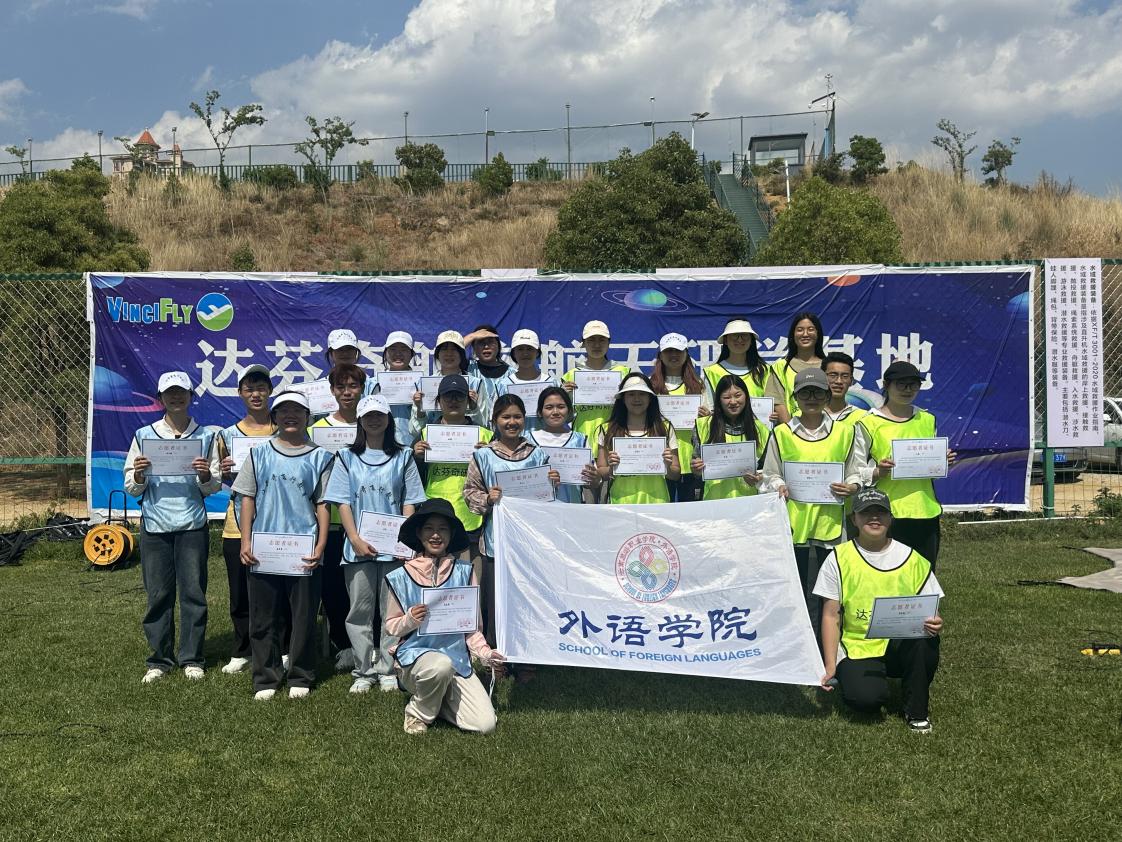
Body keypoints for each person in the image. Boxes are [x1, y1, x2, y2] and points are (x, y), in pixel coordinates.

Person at [816, 487, 944, 733]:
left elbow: (932, 611)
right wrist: (830, 665)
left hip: (901, 643)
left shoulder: (912, 558)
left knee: (924, 640)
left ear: (890, 518)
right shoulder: (838, 558)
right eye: (866, 513)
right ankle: (866, 682)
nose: (874, 518)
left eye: (881, 512)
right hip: (858, 645)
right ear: (854, 519)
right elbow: (831, 616)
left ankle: (917, 711)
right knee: (866, 700)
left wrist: (937, 622)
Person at [233, 391, 334, 700]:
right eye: (284, 411)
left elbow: (323, 503)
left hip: (303, 548)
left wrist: (321, 544)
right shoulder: (259, 454)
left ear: (307, 417)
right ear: (274, 417)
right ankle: (266, 676)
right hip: (263, 548)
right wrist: (246, 540)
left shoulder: (321, 457)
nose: (291, 416)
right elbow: (247, 498)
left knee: (303, 615)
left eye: (298, 411)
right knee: (263, 616)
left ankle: (301, 674)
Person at [324, 395, 426, 694]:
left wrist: (405, 541)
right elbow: (341, 501)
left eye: (379, 415)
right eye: (368, 415)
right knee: (359, 610)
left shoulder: (403, 456)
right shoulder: (346, 457)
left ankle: (388, 668)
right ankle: (363, 670)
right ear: (360, 420)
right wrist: (355, 538)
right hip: (357, 548)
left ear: (388, 419)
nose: (374, 420)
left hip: (394, 548)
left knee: (392, 611)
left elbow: (410, 500)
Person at [123, 371, 221, 684]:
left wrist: (205, 475)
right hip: (155, 524)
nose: (176, 397)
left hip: (192, 523)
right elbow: (131, 486)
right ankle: (159, 660)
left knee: (193, 593)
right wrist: (139, 475)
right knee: (158, 595)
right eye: (169, 393)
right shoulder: (144, 435)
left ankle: (192, 657)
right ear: (160, 398)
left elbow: (214, 486)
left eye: (182, 392)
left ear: (191, 396)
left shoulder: (206, 436)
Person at [760, 368, 868, 641]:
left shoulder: (845, 432)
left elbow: (856, 471)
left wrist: (852, 486)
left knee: (829, 594)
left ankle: (827, 646)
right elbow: (770, 474)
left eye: (818, 393)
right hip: (793, 527)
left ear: (827, 396)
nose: (811, 398)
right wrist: (778, 485)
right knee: (793, 592)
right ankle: (796, 645)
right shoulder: (782, 433)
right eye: (804, 393)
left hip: (830, 526)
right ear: (795, 397)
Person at [384, 499, 505, 735]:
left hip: (457, 660)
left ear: (451, 535)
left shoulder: (465, 572)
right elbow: (391, 626)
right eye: (429, 528)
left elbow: (472, 629)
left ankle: (436, 699)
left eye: (443, 529)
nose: (436, 535)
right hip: (415, 659)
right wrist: (409, 619)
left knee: (485, 725)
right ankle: (418, 713)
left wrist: (486, 654)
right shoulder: (401, 576)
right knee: (439, 666)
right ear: (419, 533)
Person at [463, 394, 558, 651]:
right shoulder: (483, 455)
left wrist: (552, 484)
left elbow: (547, 501)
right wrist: (487, 498)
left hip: (529, 542)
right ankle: (498, 653)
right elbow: (469, 493)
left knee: (528, 598)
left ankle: (529, 653)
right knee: (496, 600)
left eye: (517, 416)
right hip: (496, 541)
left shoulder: (537, 455)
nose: (512, 422)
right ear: (495, 420)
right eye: (505, 417)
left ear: (525, 419)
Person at [214, 364, 286, 676]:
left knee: (278, 588)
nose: (256, 394)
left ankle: (282, 647)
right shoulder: (227, 435)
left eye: (261, 388)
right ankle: (242, 649)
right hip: (237, 524)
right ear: (240, 393)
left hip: (279, 522)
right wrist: (223, 472)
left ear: (270, 391)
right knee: (240, 590)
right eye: (249, 389)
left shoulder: (283, 430)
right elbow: (217, 478)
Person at [859, 361, 955, 566]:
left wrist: (943, 462)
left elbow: (931, 470)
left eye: (913, 384)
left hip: (926, 509)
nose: (908, 389)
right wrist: (878, 471)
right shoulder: (869, 422)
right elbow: (856, 470)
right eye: (901, 384)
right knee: (889, 572)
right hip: (886, 512)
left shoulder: (927, 419)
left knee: (924, 572)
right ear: (886, 385)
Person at [311, 362, 365, 672]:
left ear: (362, 389)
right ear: (332, 391)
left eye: (353, 386)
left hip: (364, 519)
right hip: (328, 520)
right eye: (341, 387)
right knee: (332, 585)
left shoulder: (372, 422)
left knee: (363, 587)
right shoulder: (316, 430)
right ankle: (343, 644)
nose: (347, 392)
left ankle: (370, 642)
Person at [412, 374, 494, 566]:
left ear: (469, 401)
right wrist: (416, 457)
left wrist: (489, 458)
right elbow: (410, 480)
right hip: (434, 516)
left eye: (459, 396)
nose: (453, 401)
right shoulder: (425, 434)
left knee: (469, 579)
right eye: (448, 396)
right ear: (439, 401)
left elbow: (497, 478)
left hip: (471, 518)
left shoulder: (485, 436)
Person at [595, 372, 681, 504]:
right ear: (623, 398)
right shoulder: (606, 429)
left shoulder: (664, 427)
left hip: (657, 502)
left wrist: (667, 466)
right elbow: (601, 471)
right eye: (631, 394)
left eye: (642, 394)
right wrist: (611, 469)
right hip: (620, 502)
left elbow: (675, 474)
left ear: (650, 398)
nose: (637, 399)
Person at [690, 374, 770, 500]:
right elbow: (696, 469)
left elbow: (769, 472)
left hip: (749, 503)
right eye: (726, 397)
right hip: (714, 502)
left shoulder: (761, 430)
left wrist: (759, 477)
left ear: (746, 396)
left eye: (738, 395)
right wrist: (696, 469)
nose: (733, 402)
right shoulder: (703, 426)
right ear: (718, 400)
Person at [650, 332, 707, 502]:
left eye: (678, 351)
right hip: (663, 460)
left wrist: (706, 416)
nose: (673, 355)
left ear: (686, 354)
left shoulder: (699, 386)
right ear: (660, 355)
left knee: (690, 514)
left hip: (692, 461)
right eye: (668, 351)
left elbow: (709, 422)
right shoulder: (650, 385)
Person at [562, 320, 630, 457]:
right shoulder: (571, 375)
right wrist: (563, 397)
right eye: (591, 340)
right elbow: (566, 418)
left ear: (609, 342)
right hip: (582, 438)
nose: (597, 345)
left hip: (615, 437)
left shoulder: (623, 373)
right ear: (583, 343)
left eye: (602, 340)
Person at [527, 386, 600, 504]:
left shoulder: (580, 440)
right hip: (537, 509)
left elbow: (593, 483)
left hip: (571, 507)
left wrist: (595, 478)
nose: (555, 412)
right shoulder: (528, 440)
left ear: (569, 411)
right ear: (540, 412)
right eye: (549, 407)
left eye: (561, 407)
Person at [410, 330, 486, 438]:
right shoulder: (424, 384)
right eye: (444, 349)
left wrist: (474, 408)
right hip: (435, 444)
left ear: (462, 354)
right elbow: (415, 432)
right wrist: (419, 409)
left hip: (467, 443)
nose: (449, 354)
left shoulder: (475, 383)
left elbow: (484, 427)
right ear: (437, 354)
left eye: (454, 349)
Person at [702, 318, 777, 422]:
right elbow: (710, 407)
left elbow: (774, 403)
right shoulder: (711, 372)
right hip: (724, 430)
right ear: (726, 340)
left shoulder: (765, 370)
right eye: (735, 335)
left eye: (744, 336)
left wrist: (775, 415)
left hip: (759, 429)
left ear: (751, 341)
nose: (740, 340)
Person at [768, 311, 826, 423]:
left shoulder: (829, 366)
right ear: (793, 334)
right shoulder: (780, 367)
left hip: (826, 429)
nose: (805, 334)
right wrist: (792, 430)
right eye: (800, 330)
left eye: (810, 329)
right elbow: (778, 402)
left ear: (818, 334)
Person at [367, 330, 419, 447]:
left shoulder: (420, 383)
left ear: (411, 354)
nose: (398, 354)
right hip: (380, 445)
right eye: (393, 349)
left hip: (413, 447)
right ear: (385, 353)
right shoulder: (372, 383)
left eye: (404, 349)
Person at [495, 328, 559, 419]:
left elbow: (564, 416)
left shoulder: (552, 383)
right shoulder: (503, 385)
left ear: (537, 352)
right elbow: (495, 417)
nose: (525, 353)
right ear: (514, 353)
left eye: (529, 349)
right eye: (520, 349)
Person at [463, 324, 509, 410]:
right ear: (473, 347)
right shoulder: (467, 368)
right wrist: (472, 336)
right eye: (481, 342)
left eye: (490, 342)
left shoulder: (512, 374)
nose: (486, 346)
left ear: (498, 346)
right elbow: (452, 352)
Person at [822, 352, 868, 429]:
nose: (838, 381)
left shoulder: (863, 418)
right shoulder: (807, 414)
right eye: (833, 375)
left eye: (845, 376)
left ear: (851, 381)